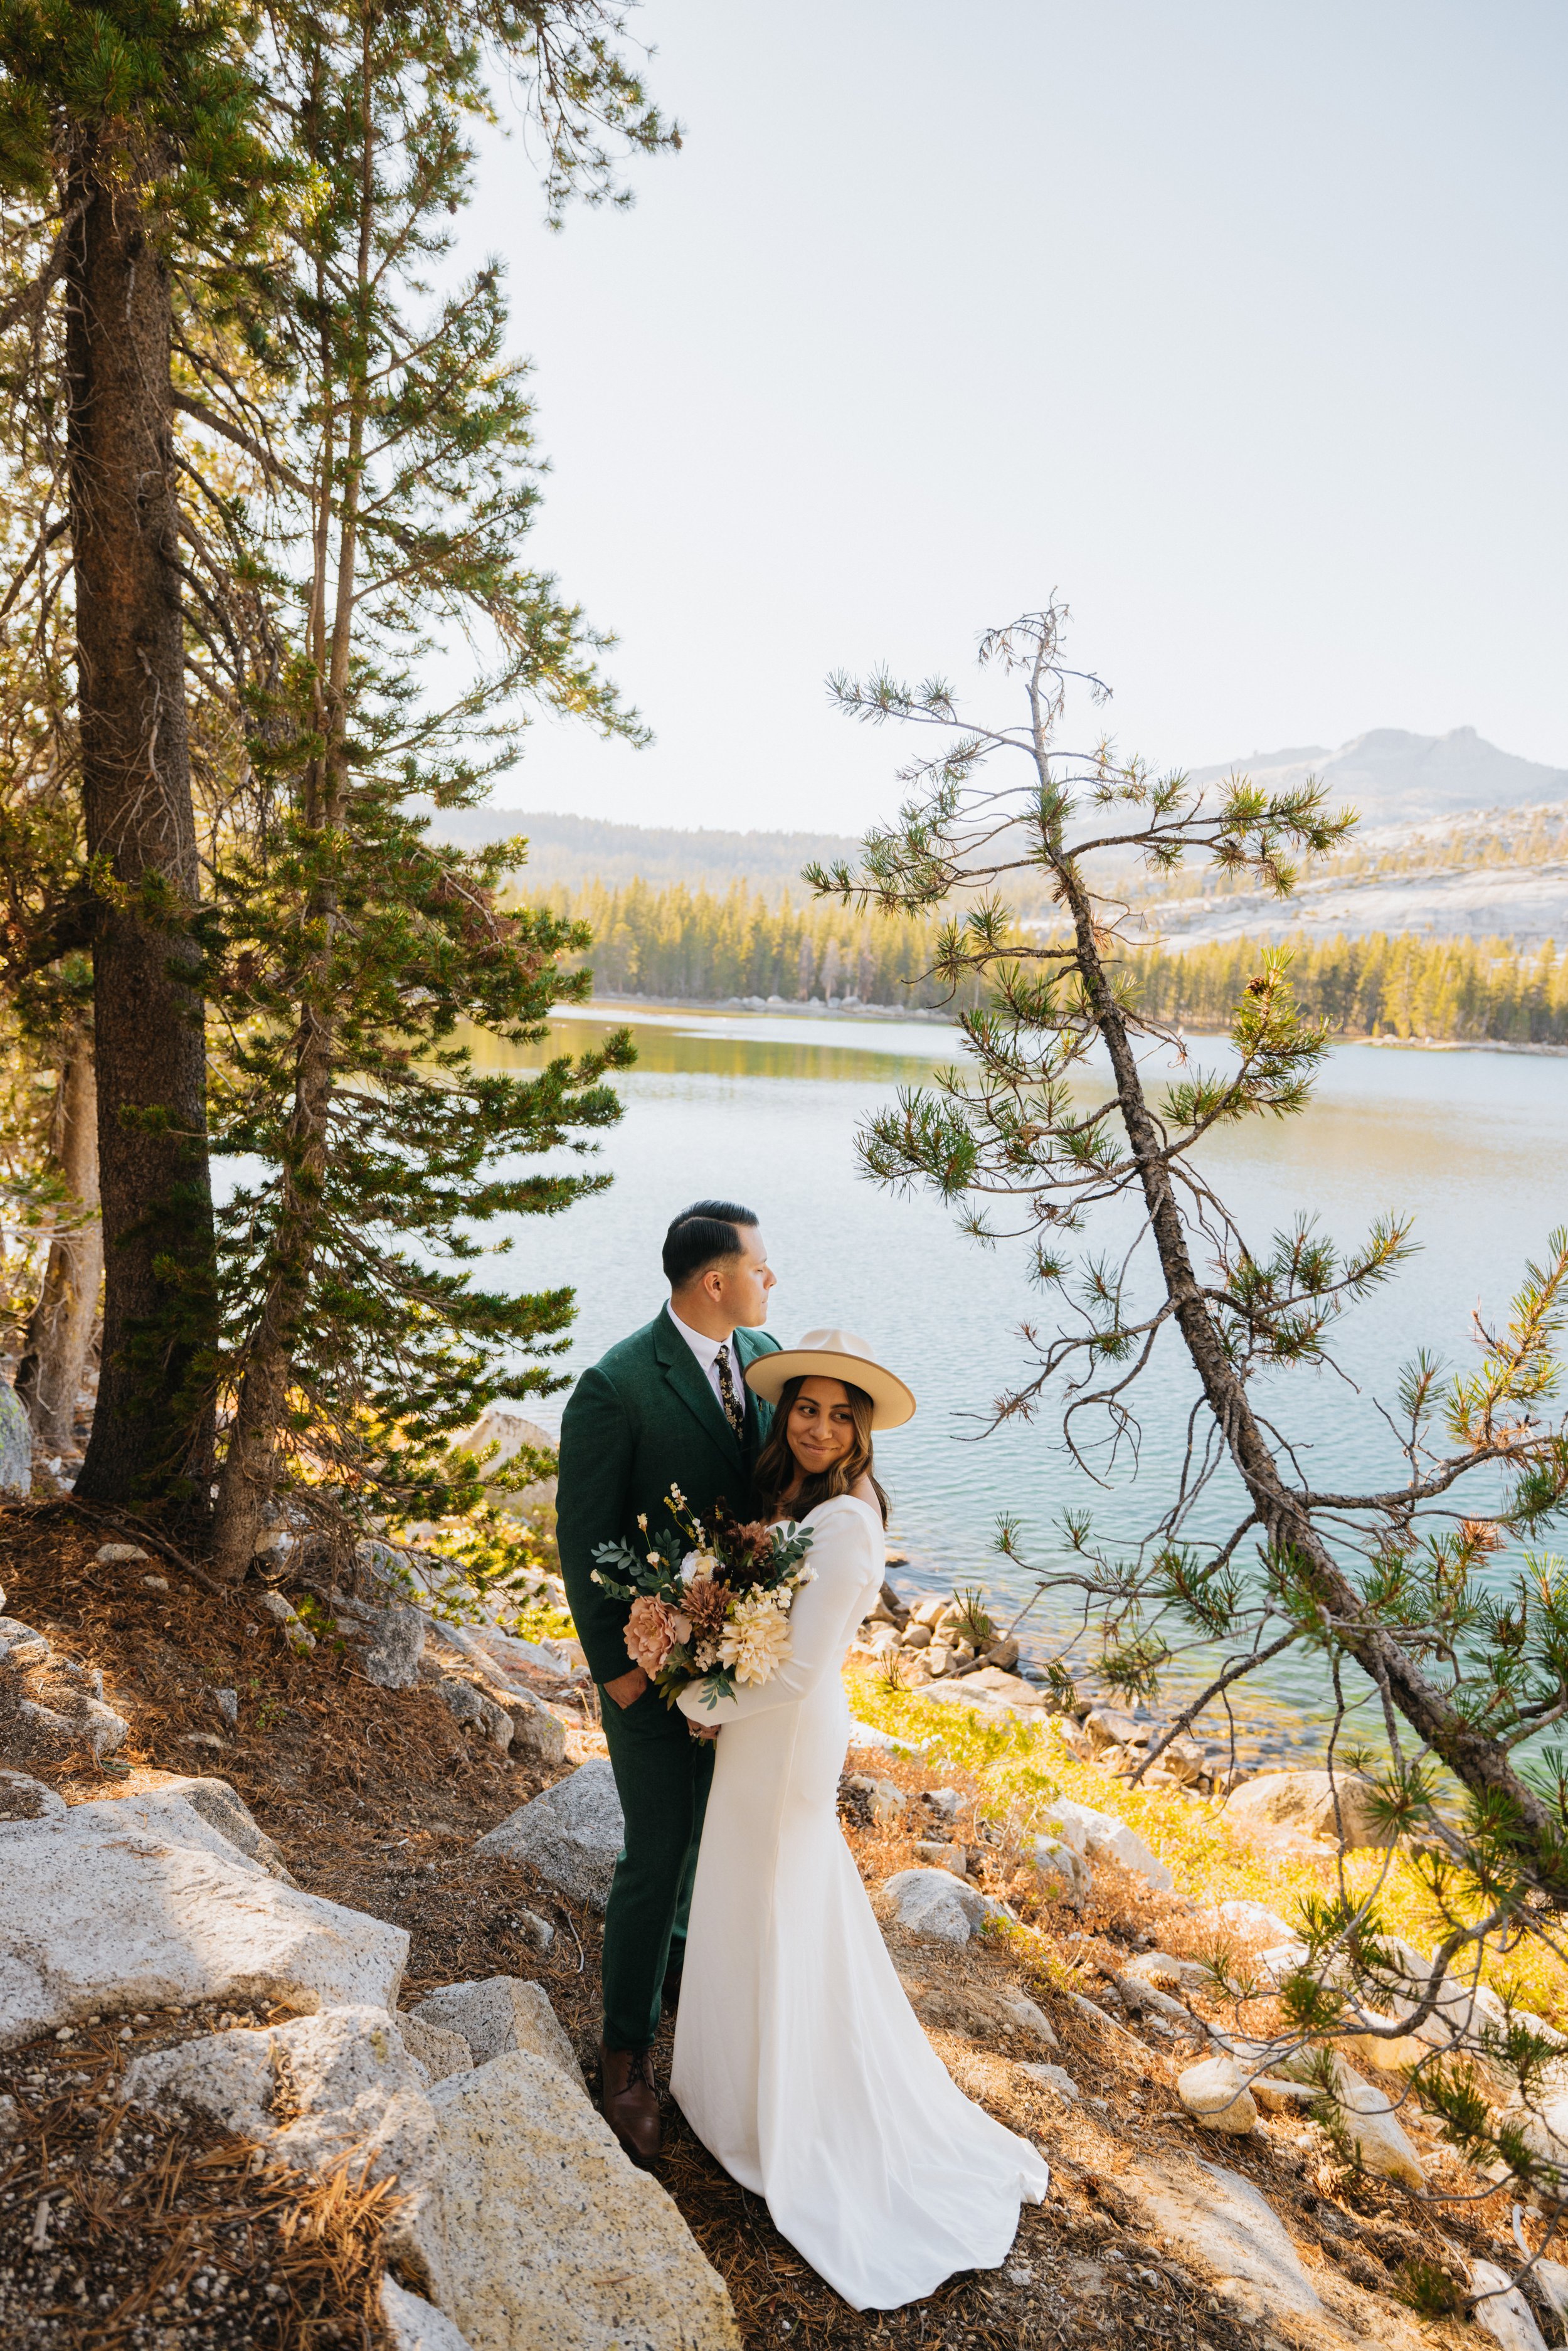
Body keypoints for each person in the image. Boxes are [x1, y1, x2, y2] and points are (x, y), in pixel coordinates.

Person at [669, 1329, 1049, 2310]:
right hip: (766, 1724)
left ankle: (787, 2116)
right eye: (807, 1408)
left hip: (788, 1730)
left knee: (775, 1899)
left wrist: (699, 1699)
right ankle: (739, 2096)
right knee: (757, 1897)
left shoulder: (845, 1522)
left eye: (843, 1415)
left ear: (862, 1429)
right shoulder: (793, 1500)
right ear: (785, 1408)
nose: (820, 1427)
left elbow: (796, 1666)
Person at [556, 1200, 781, 2166]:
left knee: (714, 1839)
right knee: (657, 1851)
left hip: (743, 1670)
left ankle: (684, 1974)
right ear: (714, 1282)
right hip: (650, 1670)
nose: (771, 1282)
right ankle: (623, 2053)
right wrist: (621, 1675)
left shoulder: (765, 1355)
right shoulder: (615, 1387)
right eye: (760, 1269)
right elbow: (582, 1540)